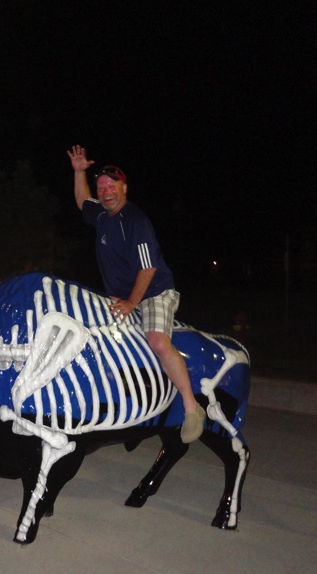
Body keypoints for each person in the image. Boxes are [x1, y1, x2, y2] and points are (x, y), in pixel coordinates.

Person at [66, 145, 207, 443]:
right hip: (119, 297)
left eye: (111, 186)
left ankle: (192, 407)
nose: (105, 191)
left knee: (156, 341)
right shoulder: (101, 216)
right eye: (101, 186)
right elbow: (81, 201)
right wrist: (79, 172)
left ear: (124, 188)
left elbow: (148, 269)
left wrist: (132, 302)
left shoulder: (135, 222)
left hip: (154, 292)